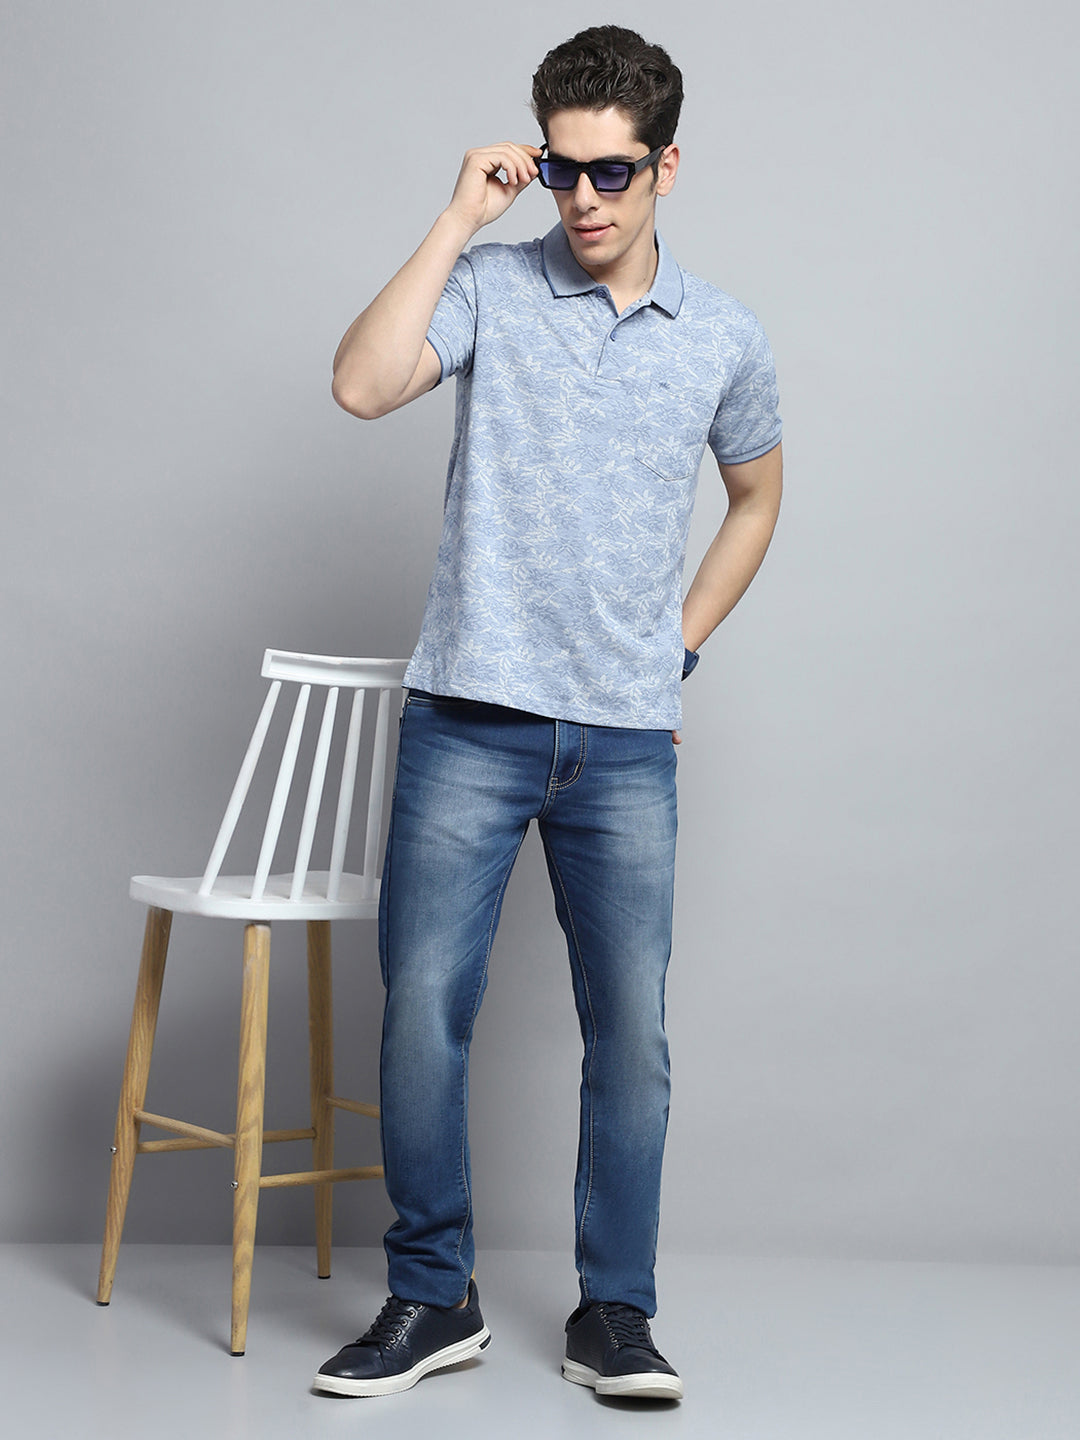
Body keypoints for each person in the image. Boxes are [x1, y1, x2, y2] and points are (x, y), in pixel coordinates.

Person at [314, 25, 782, 1403]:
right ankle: (430, 1297)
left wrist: (675, 649)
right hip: (468, 718)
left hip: (624, 742)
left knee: (629, 1038)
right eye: (563, 170)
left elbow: (757, 499)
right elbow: (360, 385)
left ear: (666, 167)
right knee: (422, 1013)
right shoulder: (491, 287)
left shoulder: (724, 335)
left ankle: (614, 1315)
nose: (583, 199)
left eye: (612, 172)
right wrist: (461, 214)